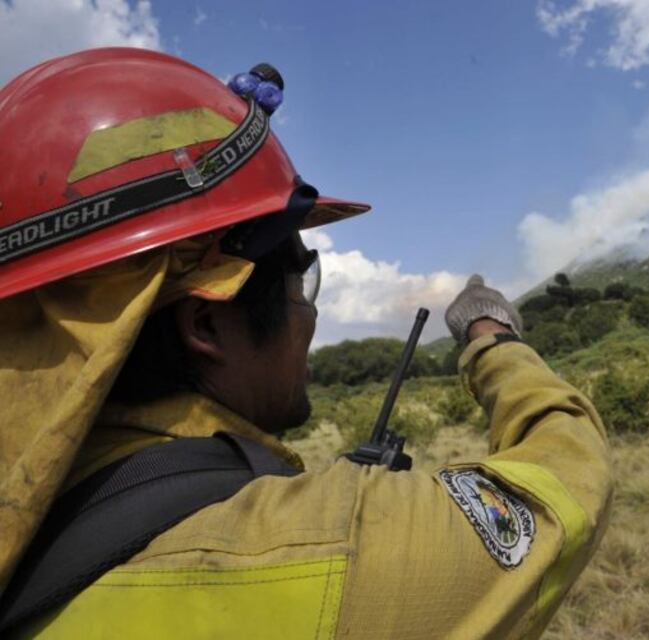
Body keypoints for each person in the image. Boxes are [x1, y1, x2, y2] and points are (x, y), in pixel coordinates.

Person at [0, 48, 612, 638]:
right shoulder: (335, 551)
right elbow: (570, 479)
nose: (309, 316)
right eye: (302, 283)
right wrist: (491, 339)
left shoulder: (29, 511)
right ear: (206, 324)